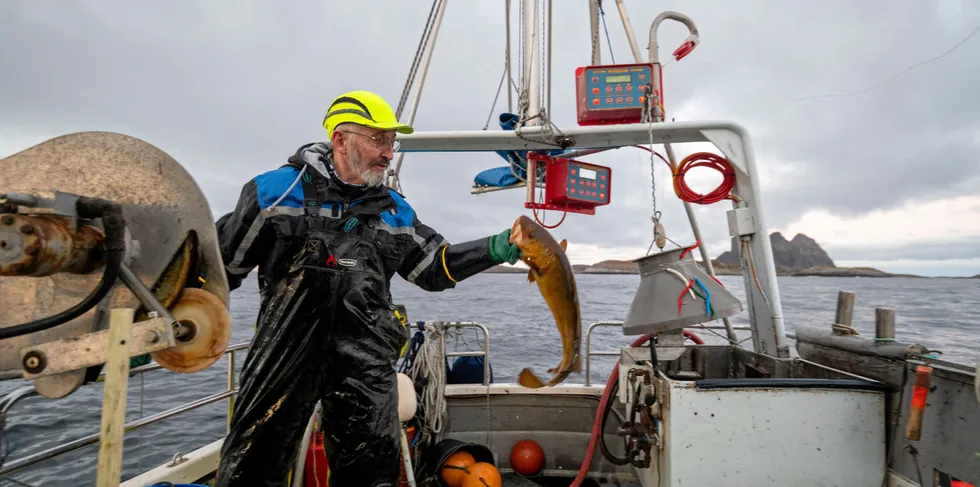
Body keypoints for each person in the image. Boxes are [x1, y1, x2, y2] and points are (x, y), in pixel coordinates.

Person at [212, 90, 522, 487]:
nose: (389, 153)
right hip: (283, 354)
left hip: (365, 362)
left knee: (371, 472)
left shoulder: (394, 209)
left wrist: (494, 248)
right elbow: (221, 266)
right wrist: (167, 321)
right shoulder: (275, 193)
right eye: (378, 139)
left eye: (391, 142)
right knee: (251, 467)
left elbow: (433, 268)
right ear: (340, 140)